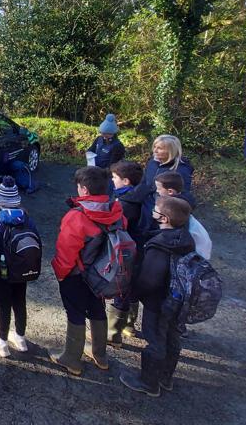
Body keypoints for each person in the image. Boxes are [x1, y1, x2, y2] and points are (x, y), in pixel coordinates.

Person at [119, 195, 195, 397]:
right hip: (178, 299)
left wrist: (134, 292)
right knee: (172, 336)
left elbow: (150, 279)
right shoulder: (186, 239)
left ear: (164, 218)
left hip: (158, 302)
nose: (152, 211)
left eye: (155, 209)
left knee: (155, 339)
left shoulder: (161, 244)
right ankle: (165, 377)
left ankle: (148, 382)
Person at [51, 166, 122, 375]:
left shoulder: (77, 216)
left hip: (77, 274)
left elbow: (66, 251)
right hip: (103, 274)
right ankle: (100, 355)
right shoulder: (115, 210)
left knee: (75, 312)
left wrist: (61, 274)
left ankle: (71, 359)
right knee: (97, 308)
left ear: (84, 189)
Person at [0, 177, 40, 358]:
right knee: (20, 301)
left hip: (3, 270)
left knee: (3, 304)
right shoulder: (27, 219)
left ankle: (2, 341)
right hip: (23, 269)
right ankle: (20, 338)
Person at [108, 159, 149, 343]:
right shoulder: (141, 195)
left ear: (126, 181)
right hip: (139, 250)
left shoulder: (126, 203)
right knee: (131, 287)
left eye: (115, 177)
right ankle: (129, 325)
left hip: (126, 252)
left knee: (121, 289)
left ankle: (112, 334)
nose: (112, 180)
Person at [154, 172, 211, 259]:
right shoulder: (181, 203)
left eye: (159, 188)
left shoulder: (176, 211)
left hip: (196, 255)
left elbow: (178, 239)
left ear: (170, 191)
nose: (157, 191)